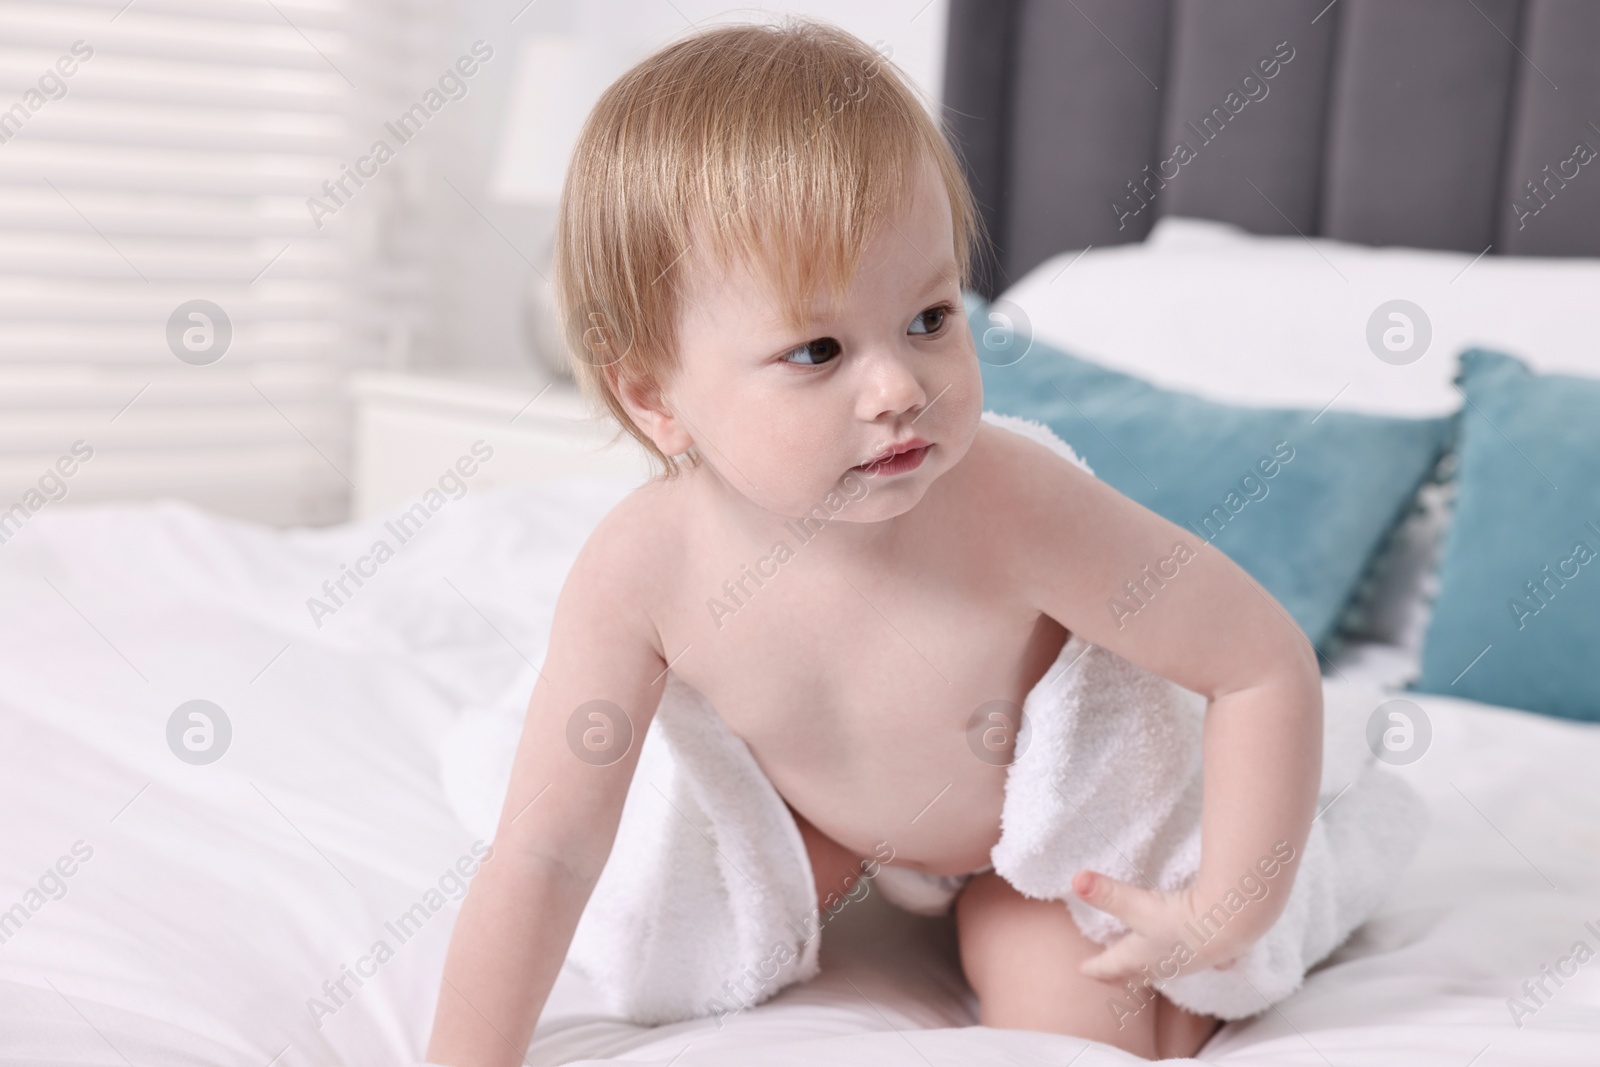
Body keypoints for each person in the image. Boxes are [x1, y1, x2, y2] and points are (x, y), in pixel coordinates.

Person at [426, 16, 1322, 1064]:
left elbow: (1260, 663)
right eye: (816, 349)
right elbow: (545, 848)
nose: (899, 388)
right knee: (705, 899)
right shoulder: (643, 570)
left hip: (1028, 854)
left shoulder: (1014, 502)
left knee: (1073, 1017)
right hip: (834, 831)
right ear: (653, 396)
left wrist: (1225, 908)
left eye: (931, 317)